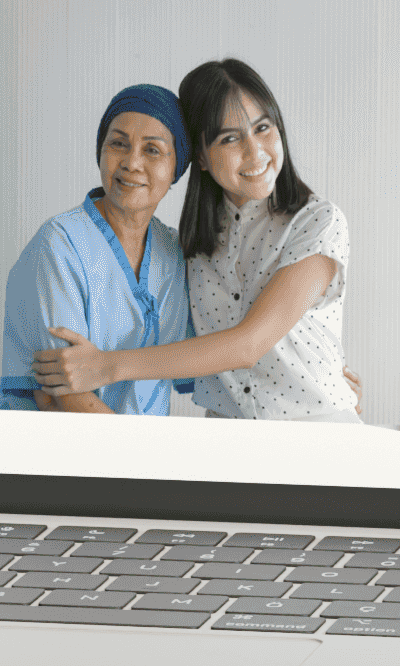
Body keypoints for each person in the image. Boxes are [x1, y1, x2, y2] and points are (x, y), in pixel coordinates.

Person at [31, 55, 359, 421]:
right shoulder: (190, 247)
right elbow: (182, 351)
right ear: (200, 157)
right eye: (230, 138)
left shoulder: (318, 223)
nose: (254, 152)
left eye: (263, 128)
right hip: (224, 443)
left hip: (314, 434)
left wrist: (107, 367)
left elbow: (248, 345)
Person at [0, 85, 193, 413]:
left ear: (177, 169)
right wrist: (146, 459)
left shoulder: (174, 253)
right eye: (118, 144)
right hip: (48, 453)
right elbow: (59, 396)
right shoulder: (60, 245)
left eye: (152, 150)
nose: (131, 162)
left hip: (138, 452)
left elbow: (182, 366)